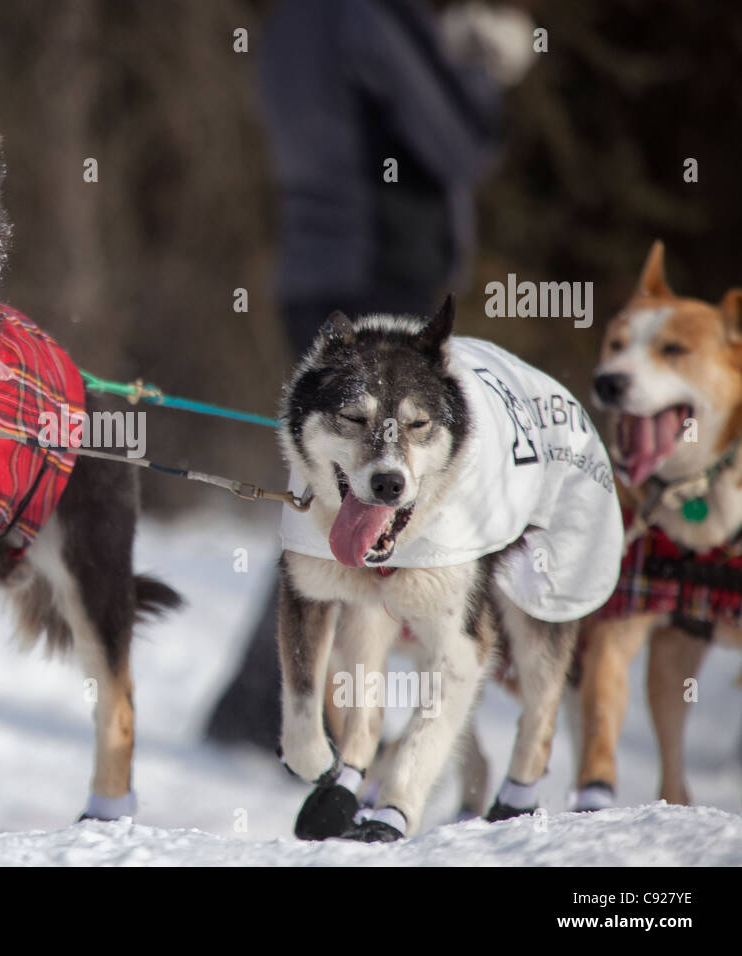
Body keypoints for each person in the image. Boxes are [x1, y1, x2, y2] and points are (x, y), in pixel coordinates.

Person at [206, 0, 533, 750]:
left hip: (316, 269)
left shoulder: (294, 17)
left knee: (328, 493)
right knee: (371, 502)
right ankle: (301, 707)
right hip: (376, 272)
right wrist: (485, 68)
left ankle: (263, 702)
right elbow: (462, 144)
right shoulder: (370, 17)